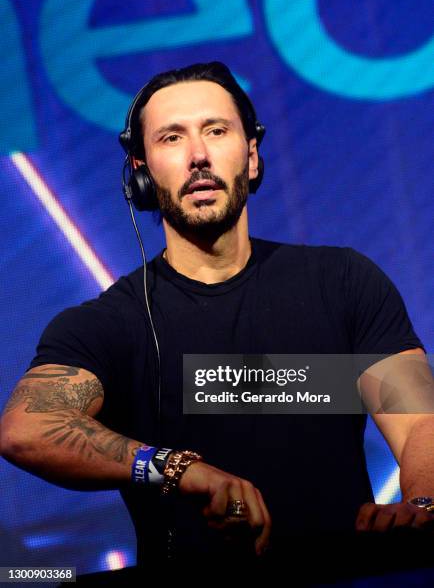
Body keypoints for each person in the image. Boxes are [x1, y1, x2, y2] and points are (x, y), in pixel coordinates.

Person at [1, 62, 433, 569]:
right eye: (171, 138)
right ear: (140, 173)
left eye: (216, 130)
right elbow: (26, 428)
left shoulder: (342, 281)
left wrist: (422, 505)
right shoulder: (108, 324)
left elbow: (419, 422)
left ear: (251, 157)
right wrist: (180, 470)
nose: (198, 156)